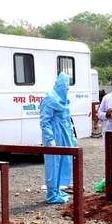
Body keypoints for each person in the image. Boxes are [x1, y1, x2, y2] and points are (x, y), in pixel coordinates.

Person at [39, 72, 76, 204]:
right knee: (52, 163)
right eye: (65, 86)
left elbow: (67, 119)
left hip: (64, 134)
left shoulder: (64, 99)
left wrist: (72, 137)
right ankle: (51, 193)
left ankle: (58, 189)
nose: (66, 89)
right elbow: (45, 121)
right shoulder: (50, 99)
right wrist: (50, 139)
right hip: (55, 134)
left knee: (64, 162)